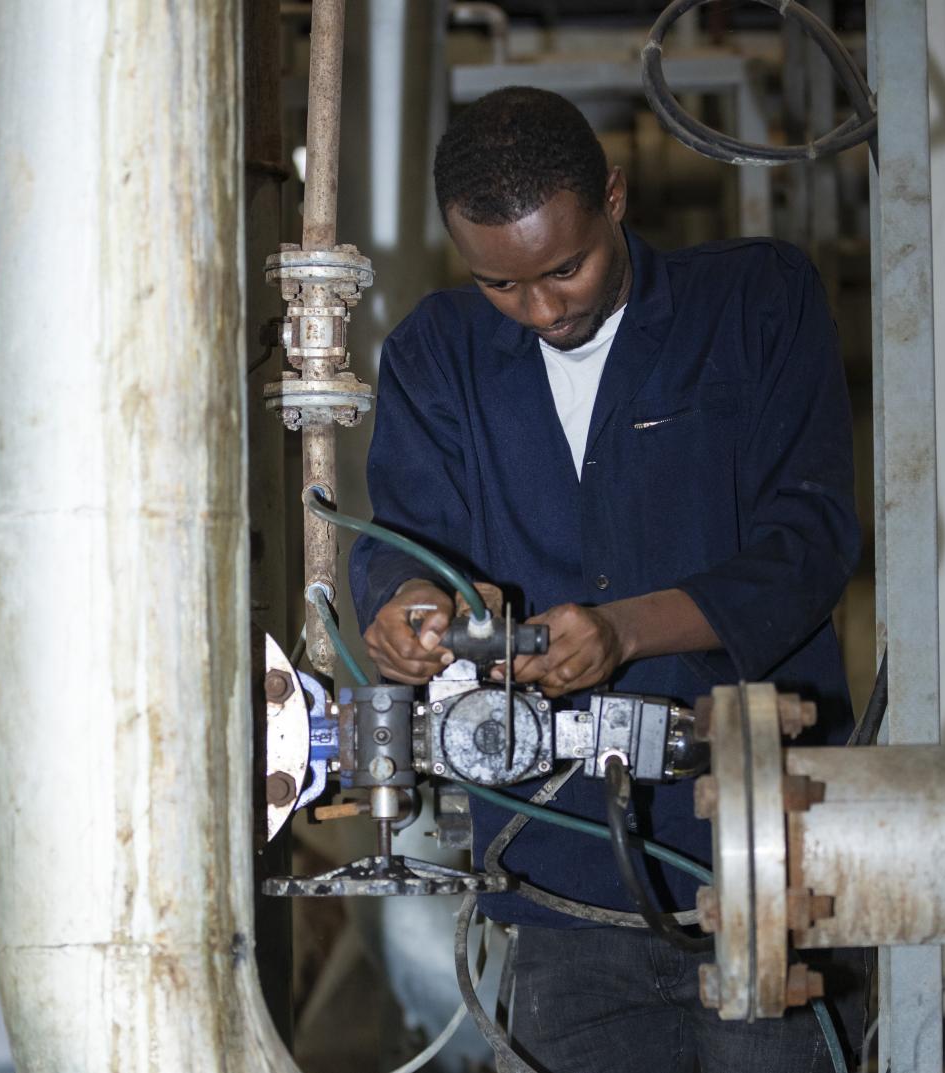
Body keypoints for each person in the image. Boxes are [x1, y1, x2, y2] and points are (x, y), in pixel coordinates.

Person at [350, 86, 863, 1072]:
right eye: (500, 285)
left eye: (565, 269)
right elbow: (401, 538)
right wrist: (408, 605)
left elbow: (812, 539)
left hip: (768, 853)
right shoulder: (436, 354)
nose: (542, 310)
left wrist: (624, 631)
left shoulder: (754, 302)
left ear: (615, 197)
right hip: (557, 880)